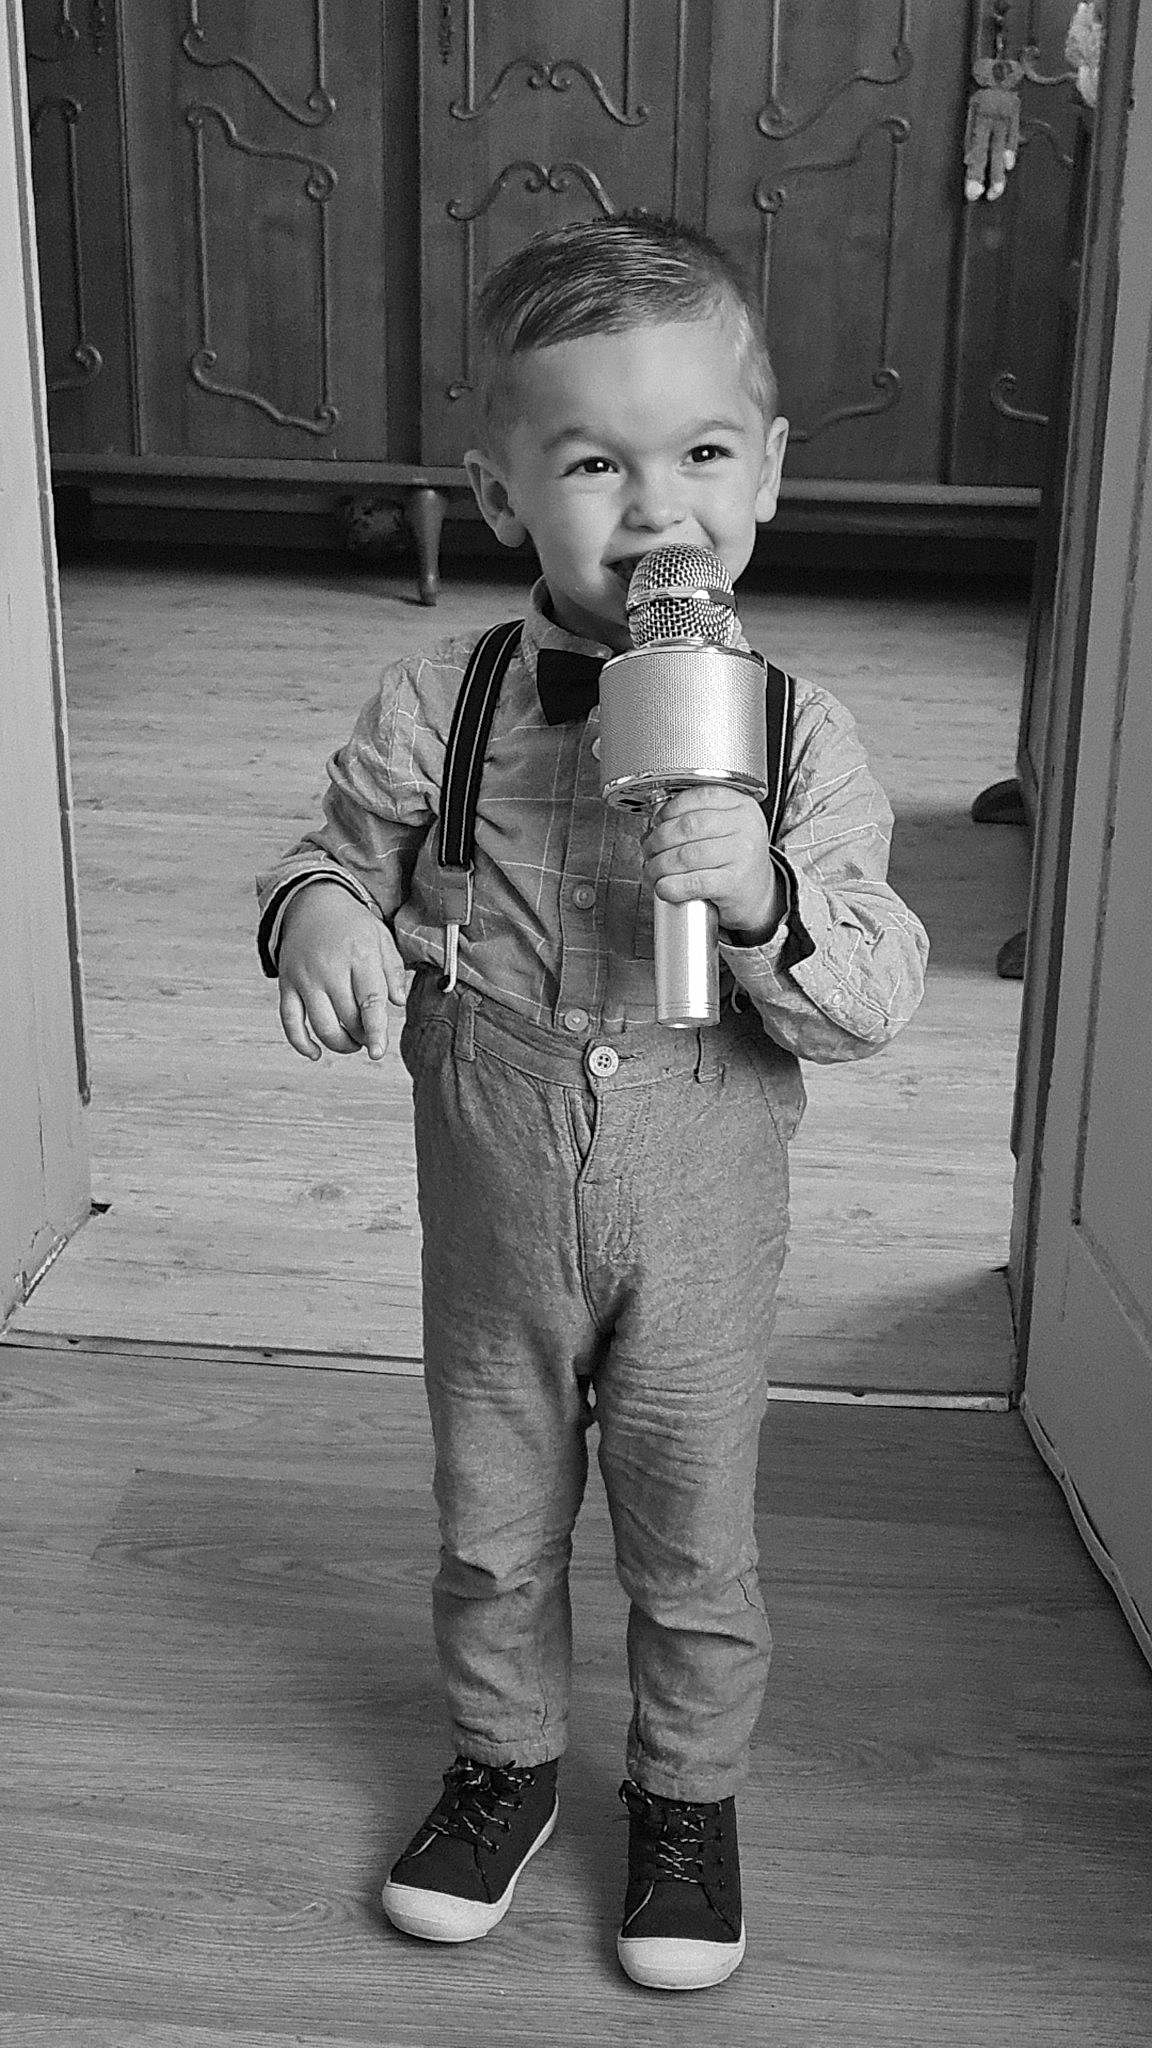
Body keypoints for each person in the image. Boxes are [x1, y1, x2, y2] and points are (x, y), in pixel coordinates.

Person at [256, 213, 928, 1993]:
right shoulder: (444, 698)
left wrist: (770, 894)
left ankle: (687, 1795)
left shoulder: (806, 735)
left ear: (770, 474)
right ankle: (502, 1764)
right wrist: (324, 913)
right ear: (498, 494)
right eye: (592, 463)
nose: (656, 508)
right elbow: (331, 857)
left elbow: (872, 991)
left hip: (703, 1187)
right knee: (493, 1513)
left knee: (691, 1521)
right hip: (491, 1188)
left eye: (703, 453)